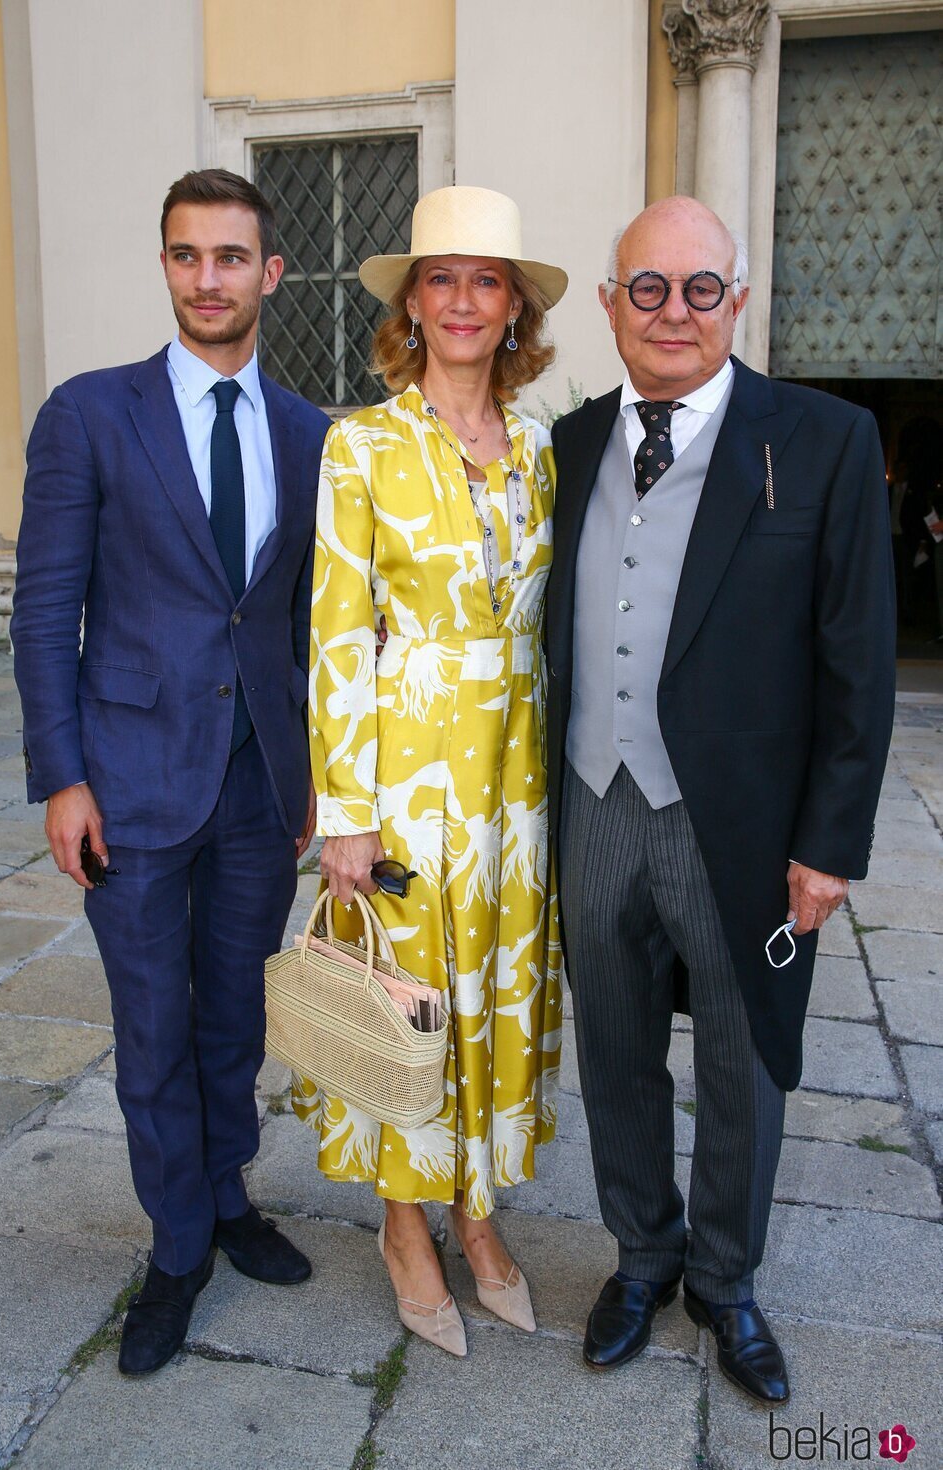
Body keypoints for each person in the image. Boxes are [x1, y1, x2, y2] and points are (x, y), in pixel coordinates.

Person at [545, 196, 895, 1404]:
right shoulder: (573, 441)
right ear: (609, 305)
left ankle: (726, 1281)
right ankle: (641, 1257)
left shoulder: (822, 439)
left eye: (701, 289)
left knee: (747, 1058)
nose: (674, 312)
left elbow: (856, 660)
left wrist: (828, 846)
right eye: (647, 288)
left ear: (736, 301)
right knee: (614, 1050)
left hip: (741, 824)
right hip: (593, 802)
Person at [10, 168, 329, 1377]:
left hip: (257, 787)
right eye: (188, 256)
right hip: (130, 781)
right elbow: (46, 613)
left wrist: (315, 777)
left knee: (233, 1013)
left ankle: (229, 1196)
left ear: (269, 273)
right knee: (150, 1026)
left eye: (231, 257)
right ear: (166, 267)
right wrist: (62, 777)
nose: (210, 279)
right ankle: (178, 1247)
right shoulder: (92, 413)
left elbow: (303, 621)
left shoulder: (310, 435)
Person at [293, 185, 567, 1356]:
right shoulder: (359, 445)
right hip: (406, 773)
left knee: (493, 994)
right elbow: (336, 635)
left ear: (513, 310)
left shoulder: (545, 447)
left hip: (517, 774)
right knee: (409, 1002)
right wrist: (344, 814)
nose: (462, 300)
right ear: (413, 303)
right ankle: (405, 1225)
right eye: (440, 278)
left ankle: (476, 1210)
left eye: (486, 279)